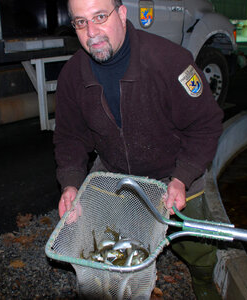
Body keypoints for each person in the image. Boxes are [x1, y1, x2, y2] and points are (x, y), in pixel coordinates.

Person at [53, 0, 224, 298]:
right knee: (103, 244)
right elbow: (69, 137)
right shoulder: (71, 76)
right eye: (81, 22)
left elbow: (205, 125)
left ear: (121, 14)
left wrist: (182, 178)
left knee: (198, 249)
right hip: (113, 172)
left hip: (176, 169)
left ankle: (204, 280)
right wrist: (70, 184)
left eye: (100, 17)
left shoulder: (171, 61)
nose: (91, 32)